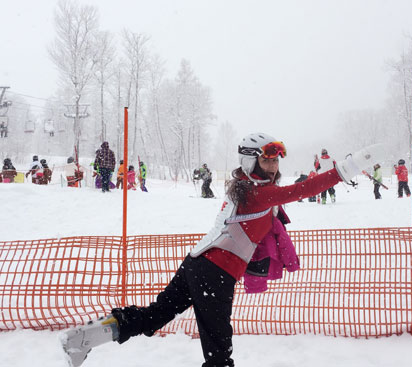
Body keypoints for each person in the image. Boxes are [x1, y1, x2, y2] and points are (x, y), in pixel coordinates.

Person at [61, 133, 385, 367]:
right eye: (265, 159)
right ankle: (85, 339)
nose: (272, 166)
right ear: (250, 162)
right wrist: (349, 167)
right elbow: (305, 189)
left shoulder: (246, 190)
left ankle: (84, 338)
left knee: (156, 317)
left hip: (197, 264)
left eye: (274, 160)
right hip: (214, 274)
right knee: (218, 351)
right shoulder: (257, 194)